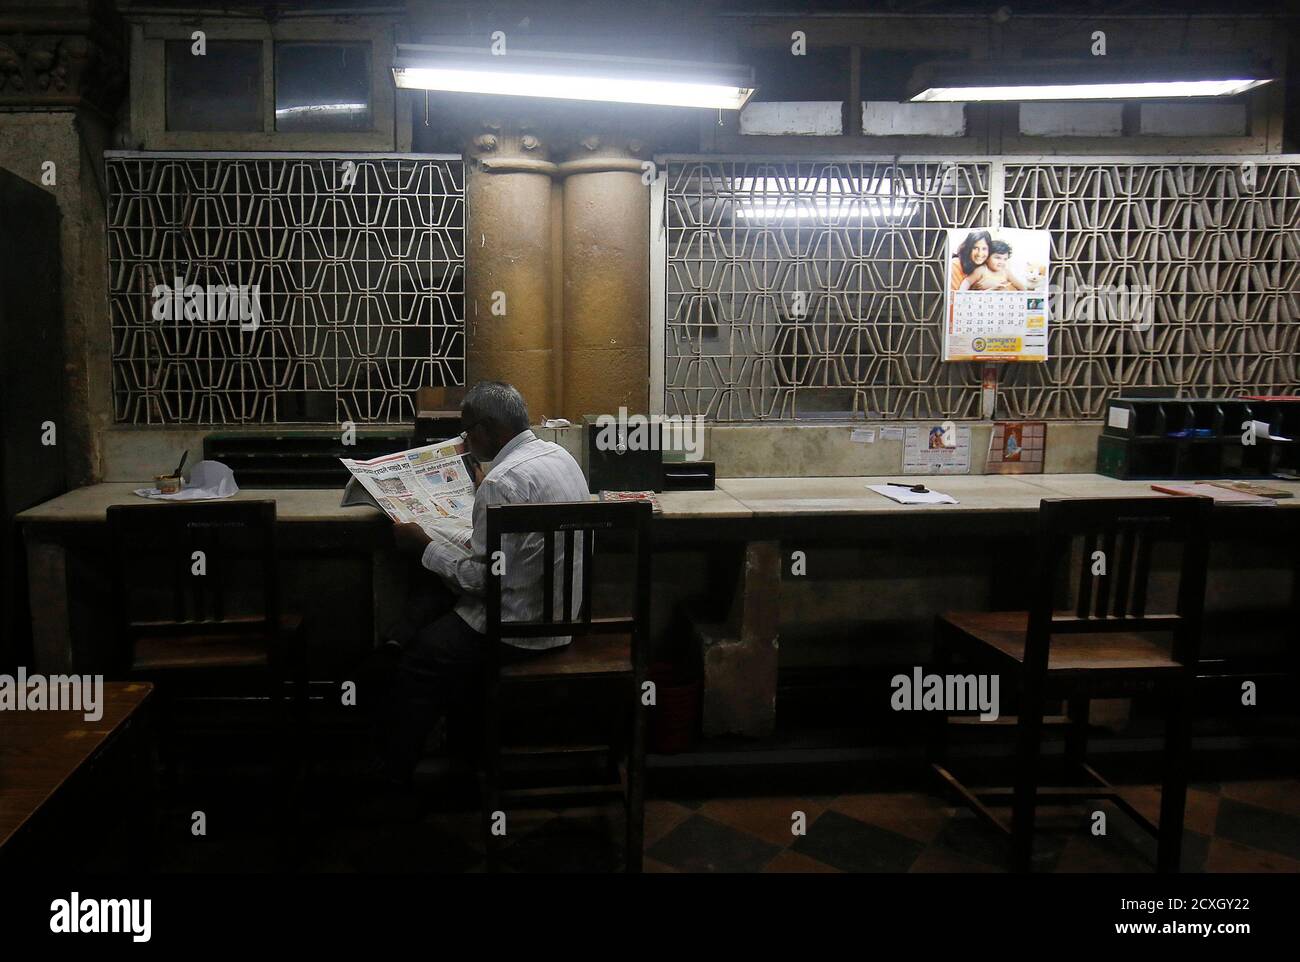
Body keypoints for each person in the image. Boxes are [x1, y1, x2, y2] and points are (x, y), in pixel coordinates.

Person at [378, 380, 590, 784]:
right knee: (432, 604)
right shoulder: (559, 455)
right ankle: (465, 753)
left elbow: (481, 579)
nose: (466, 439)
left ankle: (394, 781)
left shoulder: (500, 482)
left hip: (516, 630)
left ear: (489, 429)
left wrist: (424, 544)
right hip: (565, 616)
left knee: (421, 660)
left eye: (468, 429)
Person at [959, 240, 1026, 292]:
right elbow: (967, 282)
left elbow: (1021, 287)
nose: (1001, 262)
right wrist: (961, 295)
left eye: (1005, 259)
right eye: (997, 258)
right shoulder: (981, 270)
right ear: (987, 257)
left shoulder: (1006, 272)